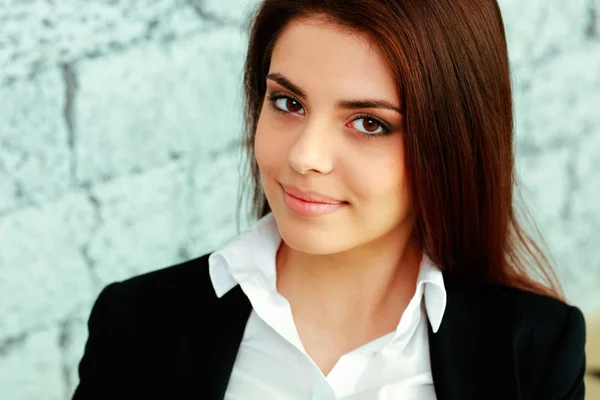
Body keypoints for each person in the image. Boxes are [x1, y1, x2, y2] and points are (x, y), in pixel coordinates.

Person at [72, 0, 587, 399]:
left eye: (369, 123)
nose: (305, 156)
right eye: (287, 102)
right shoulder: (136, 325)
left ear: (453, 142)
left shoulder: (535, 350)